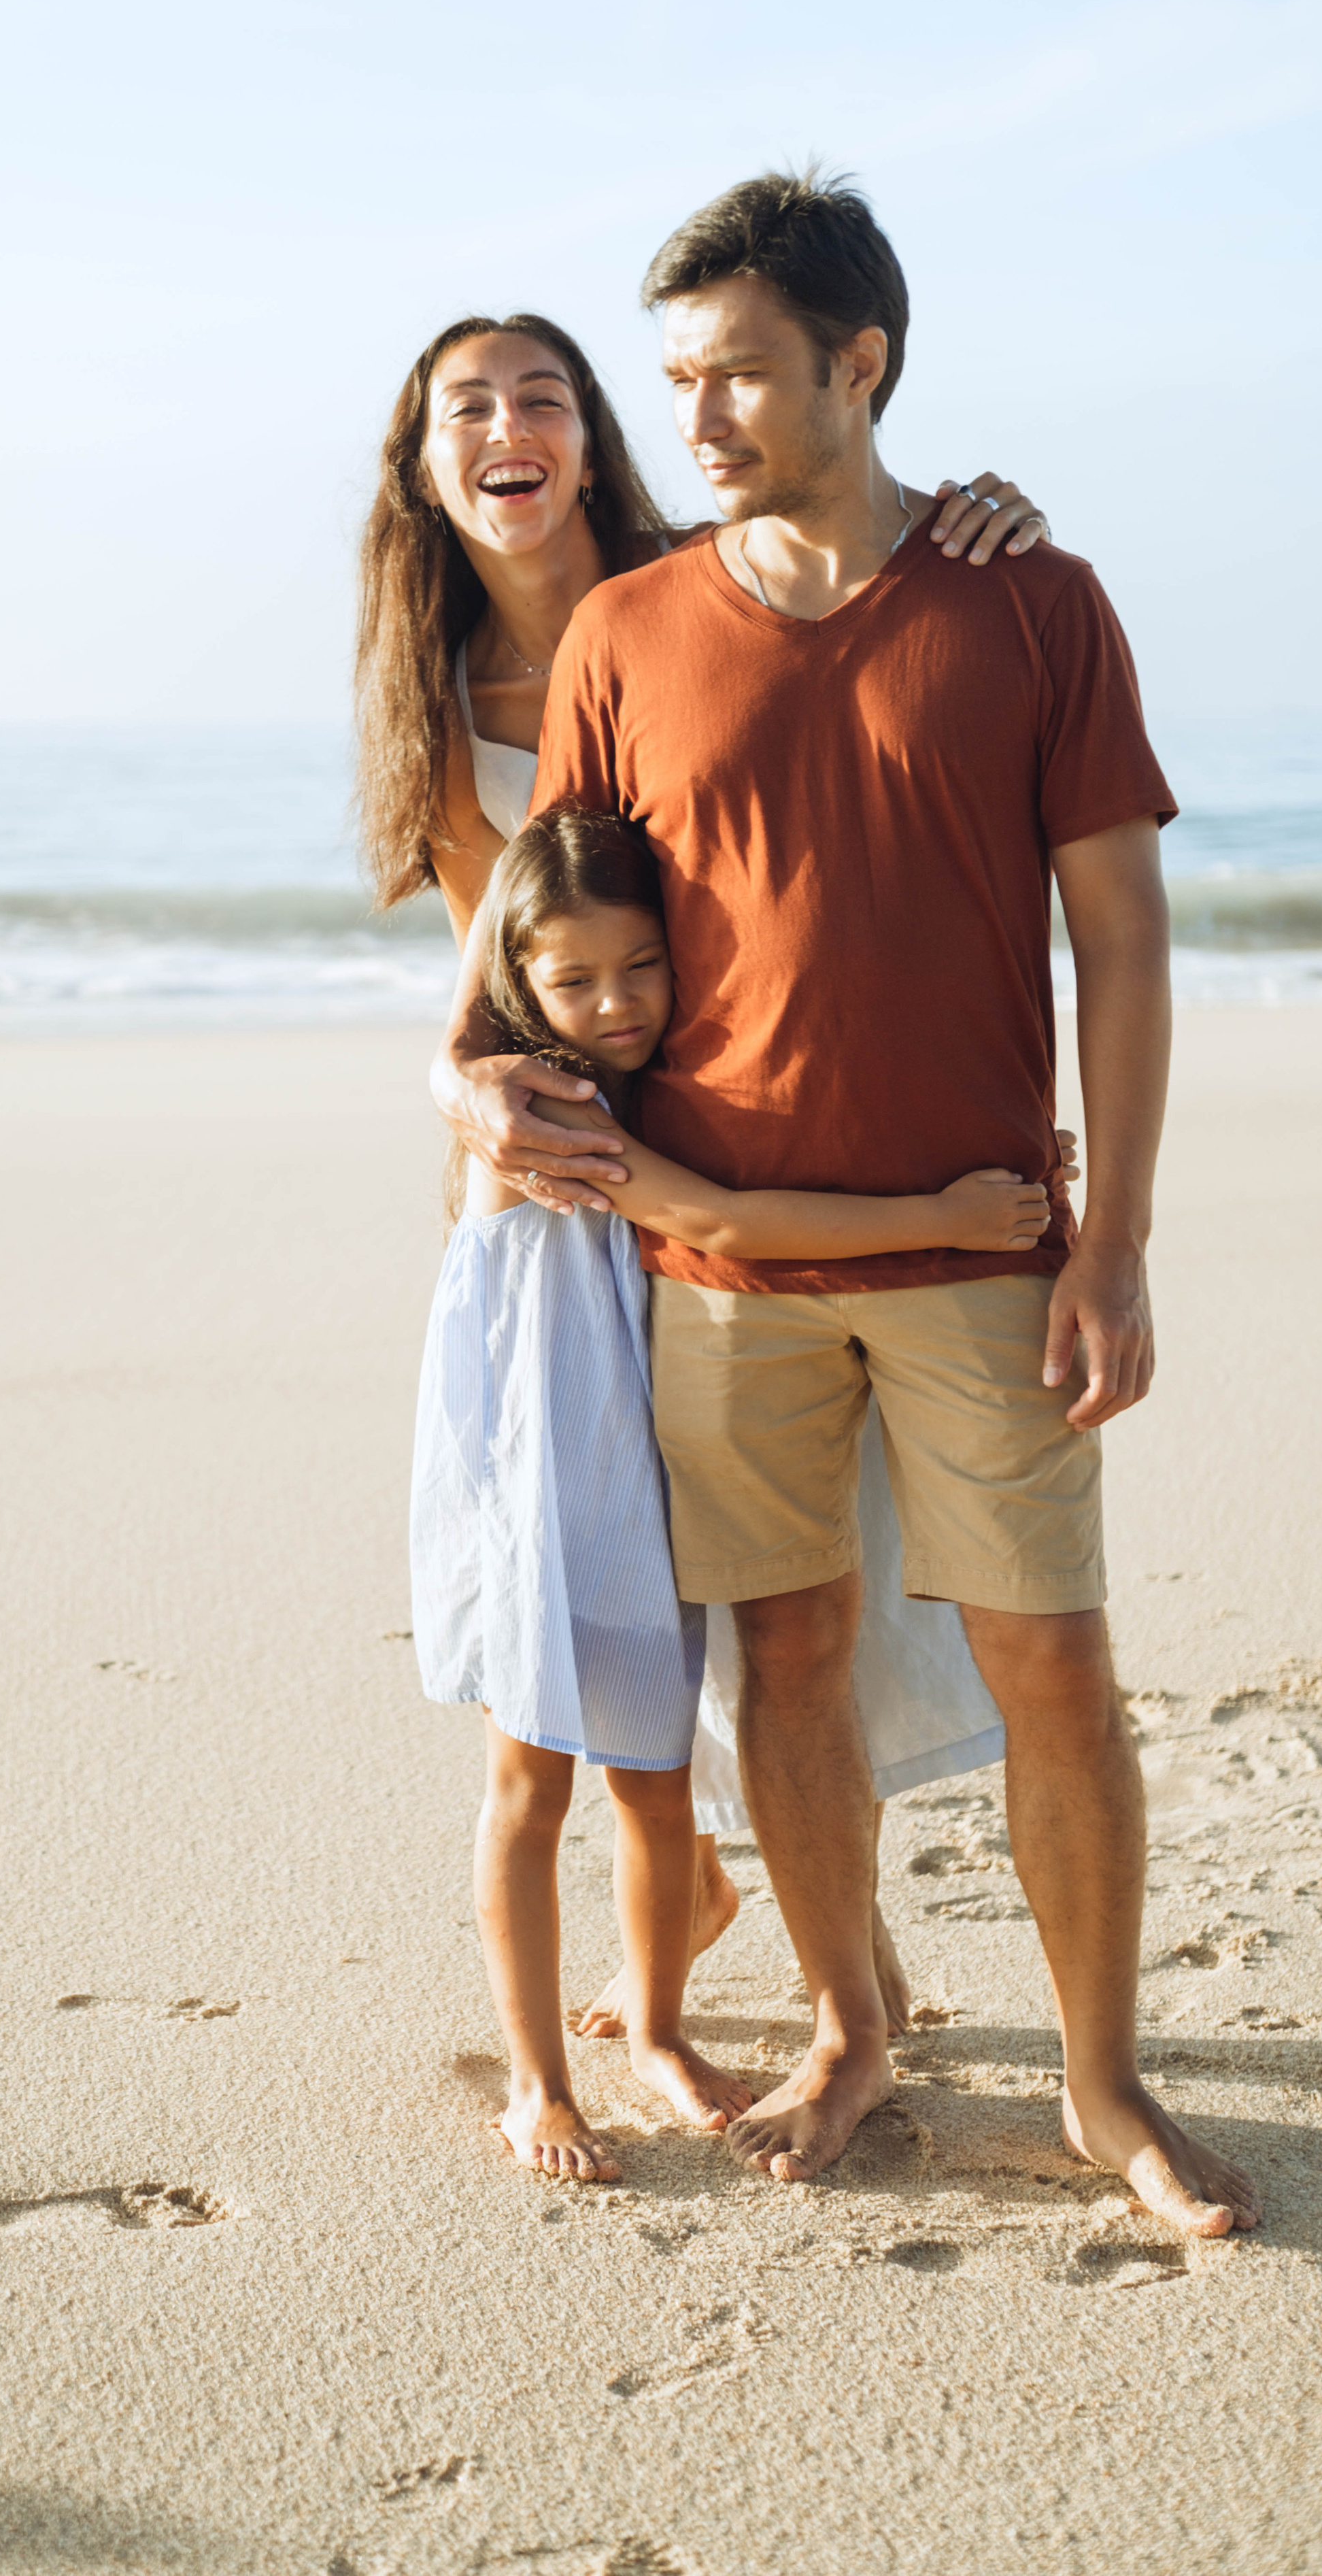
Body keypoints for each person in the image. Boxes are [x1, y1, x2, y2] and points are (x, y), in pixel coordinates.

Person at [438, 167, 1261, 2238]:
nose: (694, 417)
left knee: (1055, 1668)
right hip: (712, 1266)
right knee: (782, 1670)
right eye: (678, 377)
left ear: (859, 365)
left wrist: (1121, 1235)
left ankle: (1098, 2085)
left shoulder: (1032, 603)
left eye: (736, 375)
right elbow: (545, 937)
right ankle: (853, 2025)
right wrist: (473, 1086)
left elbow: (1126, 944)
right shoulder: (628, 634)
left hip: (987, 1250)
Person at [358, 307, 1054, 2024]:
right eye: (467, 410)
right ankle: (714, 1908)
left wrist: (987, 520)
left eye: (542, 399)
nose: (508, 432)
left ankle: (846, 1954)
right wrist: (469, 1113)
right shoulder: (430, 699)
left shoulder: (709, 590)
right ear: (424, 468)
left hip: (741, 1158)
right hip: (555, 1183)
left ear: (594, 438)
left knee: (787, 1590)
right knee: (606, 1571)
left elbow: (860, 618)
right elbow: (473, 989)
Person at [416, 805, 1061, 2180]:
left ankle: (650, 2027)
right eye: (571, 979)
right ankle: (538, 2083)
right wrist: (937, 1219)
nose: (613, 1004)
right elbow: (719, 1222)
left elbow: (763, 1170)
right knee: (527, 1786)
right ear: (513, 980)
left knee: (655, 1791)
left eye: (640, 967)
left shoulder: (648, 1089)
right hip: (537, 1496)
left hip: (638, 1486)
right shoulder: (539, 1111)